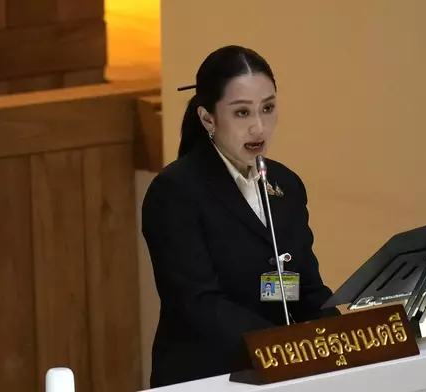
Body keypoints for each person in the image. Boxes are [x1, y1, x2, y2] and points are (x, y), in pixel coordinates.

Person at [141, 45, 340, 387]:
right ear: (208, 118)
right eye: (242, 113)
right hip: (210, 377)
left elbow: (304, 286)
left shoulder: (286, 185)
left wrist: (338, 334)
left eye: (268, 108)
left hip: (283, 373)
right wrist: (287, 345)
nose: (259, 128)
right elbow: (198, 304)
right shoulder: (175, 192)